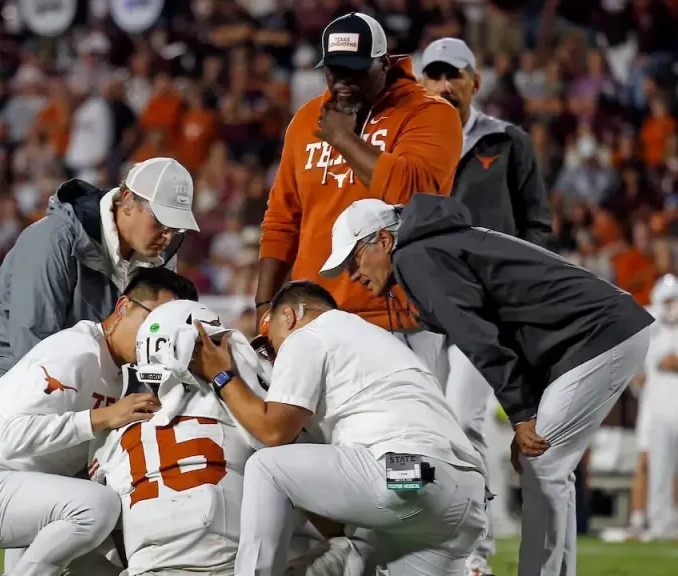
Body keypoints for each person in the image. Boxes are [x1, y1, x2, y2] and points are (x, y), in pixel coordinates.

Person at [321, 194, 654, 576]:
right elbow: (508, 330)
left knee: (543, 463)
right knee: (544, 465)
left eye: (353, 260)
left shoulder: (417, 256)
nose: (352, 275)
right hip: (593, 335)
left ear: (382, 239)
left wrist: (522, 415)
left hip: (600, 334)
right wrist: (527, 413)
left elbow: (479, 337)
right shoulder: (431, 247)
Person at [190, 280, 486, 575]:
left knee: (266, 467)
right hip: (459, 492)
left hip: (402, 468)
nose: (273, 354)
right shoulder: (374, 343)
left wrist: (222, 377)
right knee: (359, 541)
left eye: (270, 343)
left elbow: (273, 433)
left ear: (289, 316)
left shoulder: (308, 335)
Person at [0, 268, 198, 576]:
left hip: (21, 489)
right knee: (99, 507)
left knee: (108, 563)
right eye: (154, 320)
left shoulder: (115, 369)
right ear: (123, 307)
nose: (158, 335)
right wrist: (103, 417)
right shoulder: (77, 351)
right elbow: (13, 437)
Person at [256, 12, 462, 382]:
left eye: (355, 70)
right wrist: (263, 306)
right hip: (312, 320)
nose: (344, 82)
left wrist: (344, 139)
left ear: (384, 64)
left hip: (396, 321)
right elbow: (282, 218)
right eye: (335, 70)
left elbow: (414, 193)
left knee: (399, 437)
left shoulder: (430, 113)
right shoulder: (306, 120)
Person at [90, 299, 354, 575]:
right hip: (228, 571)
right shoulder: (247, 417)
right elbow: (327, 517)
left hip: (147, 571)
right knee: (354, 541)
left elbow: (114, 534)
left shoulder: (115, 429)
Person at [419, 37, 552, 575]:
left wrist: (526, 300)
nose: (445, 86)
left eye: (455, 75)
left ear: (476, 81)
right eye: (435, 76)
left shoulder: (506, 140)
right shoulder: (408, 146)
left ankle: (474, 549)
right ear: (422, 83)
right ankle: (426, 543)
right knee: (425, 425)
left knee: (463, 420)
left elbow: (536, 225)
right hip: (423, 306)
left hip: (484, 307)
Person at [0, 157, 200, 407]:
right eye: (160, 222)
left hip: (80, 373)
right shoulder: (53, 239)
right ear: (128, 201)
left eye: (176, 228)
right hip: (3, 370)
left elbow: (151, 340)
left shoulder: (159, 253)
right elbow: (32, 342)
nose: (168, 236)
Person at [642, 274, 678, 540]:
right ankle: (658, 522)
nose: (671, 306)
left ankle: (672, 521)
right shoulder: (650, 327)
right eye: (667, 300)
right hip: (657, 411)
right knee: (659, 468)